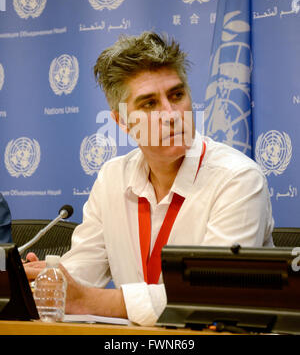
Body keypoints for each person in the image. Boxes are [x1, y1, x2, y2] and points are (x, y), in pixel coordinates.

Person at [25, 31, 274, 326]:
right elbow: (82, 270)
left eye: (177, 95)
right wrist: (49, 281)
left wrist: (86, 300)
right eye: (149, 103)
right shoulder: (112, 177)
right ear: (121, 121)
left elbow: (210, 295)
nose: (172, 114)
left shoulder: (238, 178)